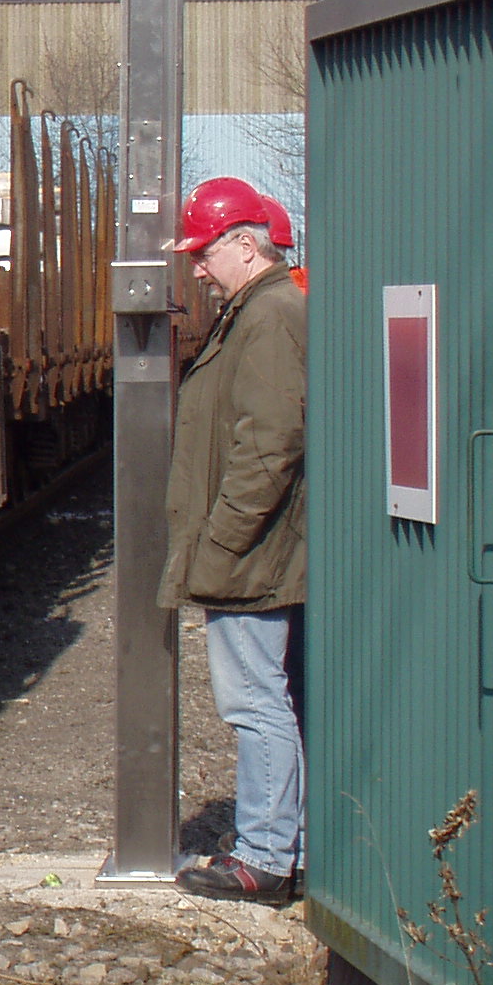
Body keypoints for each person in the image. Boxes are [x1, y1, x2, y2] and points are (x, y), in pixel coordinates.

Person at [164, 175, 307, 904]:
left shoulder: (269, 316)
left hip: (256, 554)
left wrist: (220, 540)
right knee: (272, 698)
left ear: (244, 245)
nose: (195, 267)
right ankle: (283, 843)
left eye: (203, 251)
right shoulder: (260, 309)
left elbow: (269, 446)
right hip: (262, 548)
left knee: (254, 703)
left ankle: (265, 858)